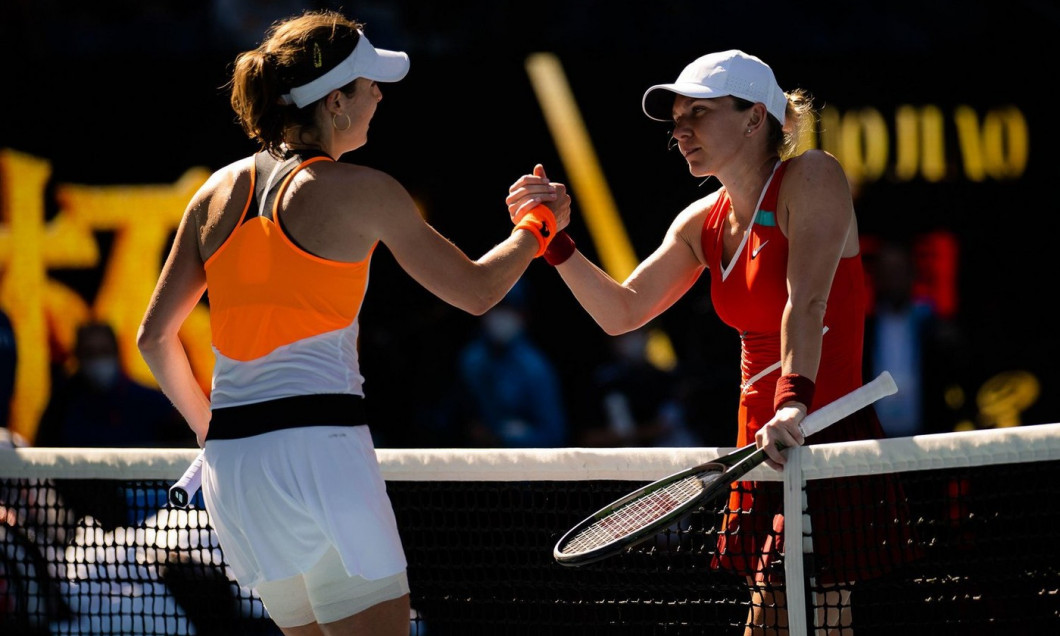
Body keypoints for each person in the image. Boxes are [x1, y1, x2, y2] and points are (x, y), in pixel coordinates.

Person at [136, 9, 570, 636]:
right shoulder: (364, 190)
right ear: (334, 102)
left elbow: (154, 338)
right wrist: (537, 228)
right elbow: (477, 291)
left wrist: (213, 433)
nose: (378, 95)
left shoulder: (214, 192)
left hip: (237, 472)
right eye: (368, 85)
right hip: (323, 457)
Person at [507, 49, 917, 635]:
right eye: (676, 118)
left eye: (697, 113)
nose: (680, 130)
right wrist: (555, 242)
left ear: (755, 118)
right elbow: (622, 311)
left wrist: (793, 402)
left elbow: (808, 303)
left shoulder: (813, 175)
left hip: (821, 430)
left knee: (801, 612)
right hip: (759, 442)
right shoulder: (701, 220)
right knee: (797, 618)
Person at [454, 285, 567, 448]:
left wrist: (502, 438)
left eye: (507, 308)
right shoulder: (471, 359)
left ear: (522, 315)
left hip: (518, 460)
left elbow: (554, 434)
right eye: (494, 307)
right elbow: (457, 413)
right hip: (471, 458)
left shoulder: (535, 367)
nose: (498, 316)